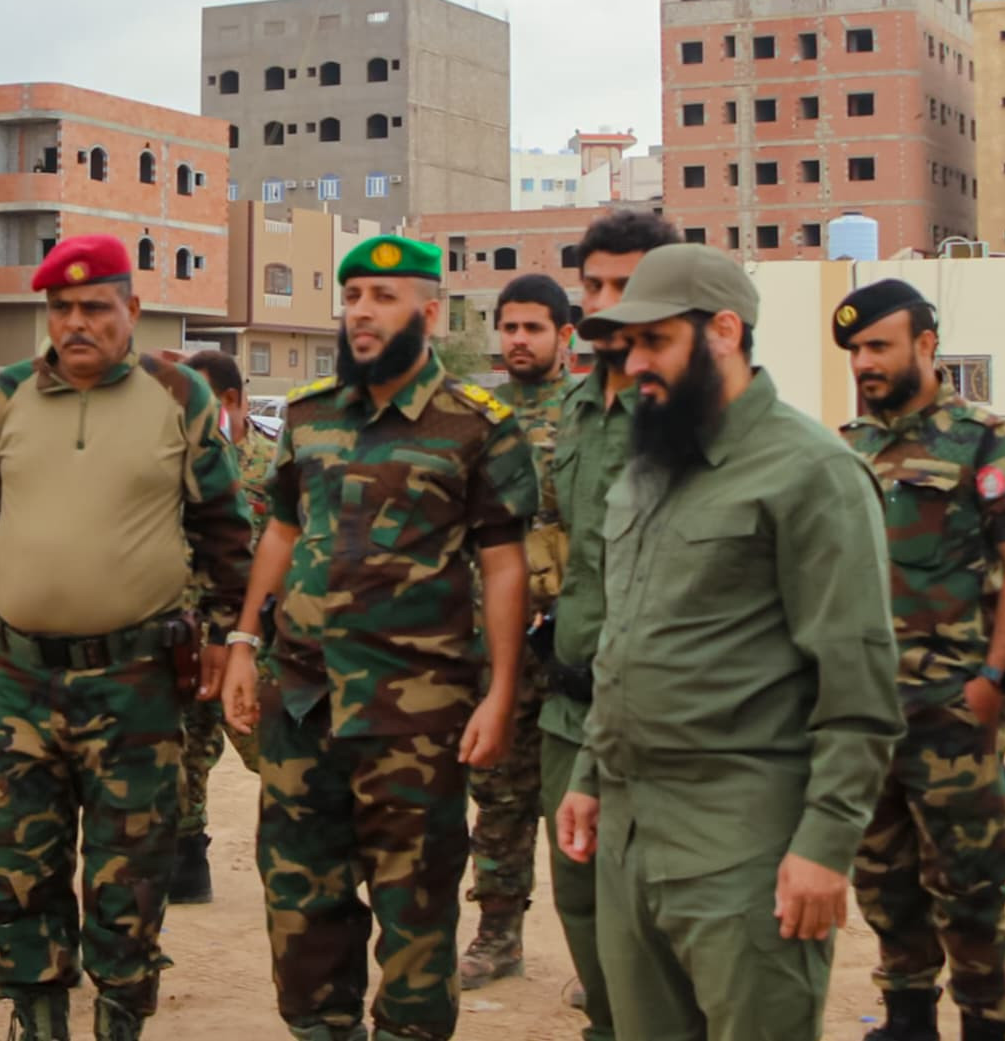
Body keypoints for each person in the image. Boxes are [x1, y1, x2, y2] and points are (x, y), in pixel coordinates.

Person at [552, 243, 901, 1041]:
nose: (634, 362)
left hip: (742, 851)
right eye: (626, 344)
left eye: (655, 340)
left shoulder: (811, 471)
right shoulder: (646, 469)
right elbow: (622, 644)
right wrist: (590, 774)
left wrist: (825, 846)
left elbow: (857, 685)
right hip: (629, 840)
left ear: (724, 331)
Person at [223, 235, 536, 1041]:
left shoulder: (477, 427)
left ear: (429, 313)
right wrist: (244, 641)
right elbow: (282, 531)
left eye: (383, 297)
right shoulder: (309, 415)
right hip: (305, 703)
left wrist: (501, 692)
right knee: (301, 908)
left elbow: (504, 564)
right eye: (354, 295)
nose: (361, 312)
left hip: (417, 716)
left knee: (416, 917)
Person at [0, 234, 252, 1040]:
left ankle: (120, 1020)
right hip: (22, 676)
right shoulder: (8, 395)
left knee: (131, 872)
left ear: (132, 309)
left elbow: (225, 527)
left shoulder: (178, 395)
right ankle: (37, 1019)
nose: (76, 322)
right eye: (61, 308)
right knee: (20, 867)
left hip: (135, 680)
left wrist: (226, 635)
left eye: (94, 306)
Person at [835, 280, 1005, 1041]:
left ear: (926, 344)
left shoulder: (987, 441)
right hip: (868, 710)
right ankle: (908, 1020)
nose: (865, 362)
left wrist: (995, 677)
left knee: (968, 883)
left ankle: (985, 1023)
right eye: (856, 350)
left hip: (954, 708)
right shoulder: (847, 448)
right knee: (883, 878)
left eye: (879, 346)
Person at [537, 207, 677, 1041]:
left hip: (661, 712)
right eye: (593, 284)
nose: (604, 301)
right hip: (570, 704)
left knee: (656, 908)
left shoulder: (693, 412)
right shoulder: (577, 406)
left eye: (626, 284)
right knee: (579, 893)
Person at [457, 272, 573, 986]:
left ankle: (598, 949)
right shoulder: (480, 416)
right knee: (498, 791)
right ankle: (498, 934)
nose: (520, 340)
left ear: (565, 334)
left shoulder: (590, 414)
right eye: (510, 327)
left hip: (571, 638)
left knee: (579, 791)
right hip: (495, 637)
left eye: (534, 327)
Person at [169, 346, 278, 906]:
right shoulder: (177, 463)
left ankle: (295, 860)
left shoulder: (272, 465)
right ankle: (188, 861)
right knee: (186, 751)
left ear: (234, 401)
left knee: (276, 750)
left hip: (257, 638)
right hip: (191, 632)